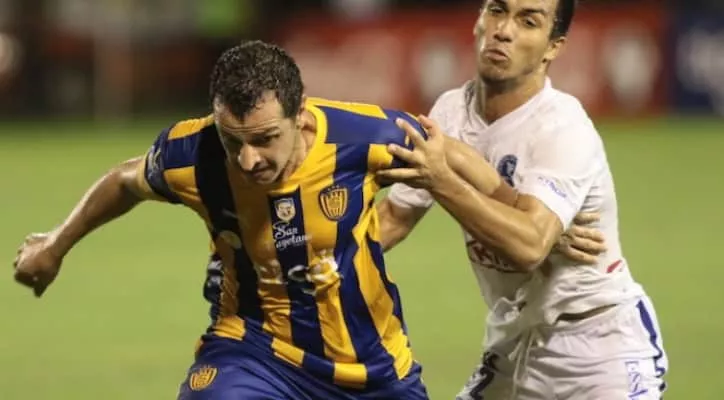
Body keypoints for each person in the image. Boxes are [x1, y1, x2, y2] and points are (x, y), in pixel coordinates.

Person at [12, 40, 526, 400]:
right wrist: (55, 245)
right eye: (232, 140)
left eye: (264, 139)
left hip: (372, 367)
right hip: (255, 351)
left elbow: (447, 151)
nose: (247, 159)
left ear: (300, 116)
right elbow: (125, 180)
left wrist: (517, 207)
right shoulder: (194, 153)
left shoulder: (360, 137)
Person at [376, 0, 668, 399]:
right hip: (514, 344)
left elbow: (528, 246)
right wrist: (313, 259)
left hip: (599, 347)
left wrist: (443, 181)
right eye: (497, 10)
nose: (504, 30)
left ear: (553, 46)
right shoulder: (450, 112)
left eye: (528, 21)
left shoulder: (562, 127)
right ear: (479, 19)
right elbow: (392, 219)